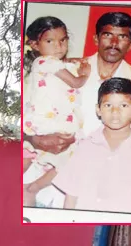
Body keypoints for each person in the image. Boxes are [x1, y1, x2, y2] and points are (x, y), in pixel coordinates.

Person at [23, 11, 131, 209]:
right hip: (39, 179)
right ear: (96, 38)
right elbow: (28, 106)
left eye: (123, 37)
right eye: (108, 35)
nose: (114, 43)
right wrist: (33, 139)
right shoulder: (69, 67)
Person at [52, 77, 131, 214]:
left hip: (126, 225)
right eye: (108, 105)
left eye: (124, 105)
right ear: (98, 110)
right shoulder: (85, 146)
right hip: (86, 223)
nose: (115, 111)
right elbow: (71, 193)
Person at [22, 16, 91, 207]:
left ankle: (30, 189)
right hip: (48, 122)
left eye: (63, 40)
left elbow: (63, 67)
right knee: (67, 156)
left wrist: (74, 62)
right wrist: (85, 72)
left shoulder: (50, 63)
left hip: (51, 122)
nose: (59, 46)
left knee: (60, 158)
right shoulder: (45, 62)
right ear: (35, 44)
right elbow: (76, 82)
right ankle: (29, 188)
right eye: (50, 41)